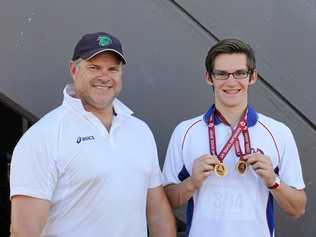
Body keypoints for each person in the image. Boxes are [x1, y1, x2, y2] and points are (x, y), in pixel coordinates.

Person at [10, 32, 176, 237]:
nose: (104, 77)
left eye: (112, 69)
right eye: (94, 67)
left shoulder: (139, 130)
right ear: (74, 70)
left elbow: (157, 211)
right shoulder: (44, 136)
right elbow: (24, 230)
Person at [162, 39, 306, 237]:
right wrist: (192, 183)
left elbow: (298, 209)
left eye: (240, 73)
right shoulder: (185, 131)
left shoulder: (278, 132)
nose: (231, 82)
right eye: (221, 74)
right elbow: (166, 201)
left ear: (253, 77)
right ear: (208, 78)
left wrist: (273, 181)